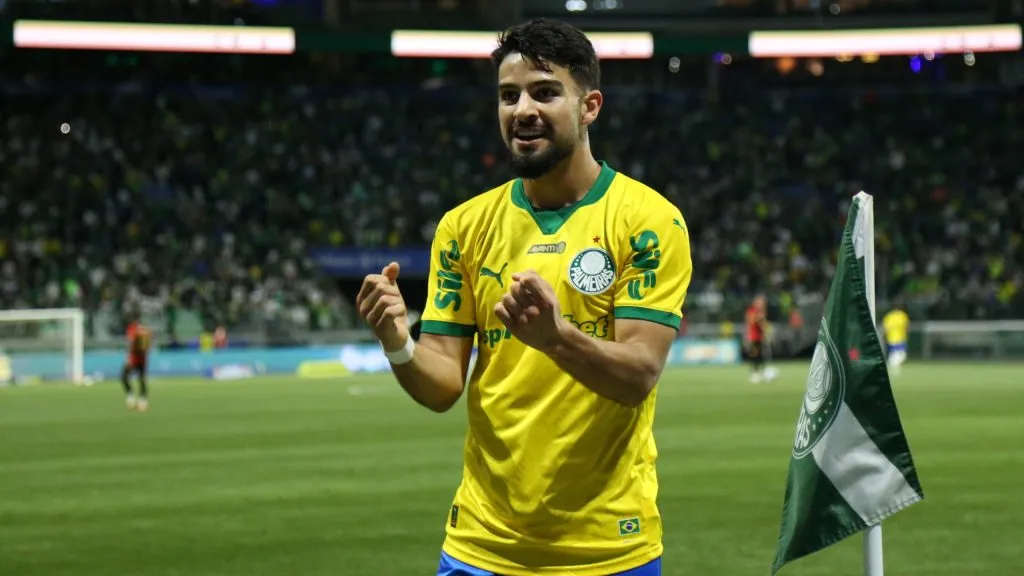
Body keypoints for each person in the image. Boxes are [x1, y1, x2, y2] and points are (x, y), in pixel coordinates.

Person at [356, 18, 692, 576]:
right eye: (508, 96)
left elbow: (637, 374)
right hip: (481, 549)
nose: (522, 110)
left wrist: (556, 339)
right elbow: (442, 386)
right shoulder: (463, 226)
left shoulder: (648, 221)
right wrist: (398, 343)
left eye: (545, 92)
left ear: (590, 107)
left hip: (607, 551)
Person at [122, 311, 152, 411]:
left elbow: (130, 343)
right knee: (142, 378)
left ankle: (131, 396)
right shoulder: (145, 330)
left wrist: (128, 357)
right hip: (143, 357)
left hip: (134, 358)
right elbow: (148, 343)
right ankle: (143, 400)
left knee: (124, 376)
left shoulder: (132, 329)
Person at [744, 294, 770, 383]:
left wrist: (765, 331)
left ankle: (761, 371)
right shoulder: (752, 311)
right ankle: (754, 372)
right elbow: (750, 322)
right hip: (753, 336)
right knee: (754, 354)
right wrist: (758, 318)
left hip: (760, 336)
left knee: (760, 354)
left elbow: (763, 325)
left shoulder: (762, 312)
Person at [882, 305, 910, 376]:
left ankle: (892, 366)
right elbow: (907, 326)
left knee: (896, 354)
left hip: (892, 339)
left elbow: (885, 328)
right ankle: (893, 368)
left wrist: (885, 336)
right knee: (900, 355)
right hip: (900, 338)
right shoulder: (903, 315)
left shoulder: (889, 316)